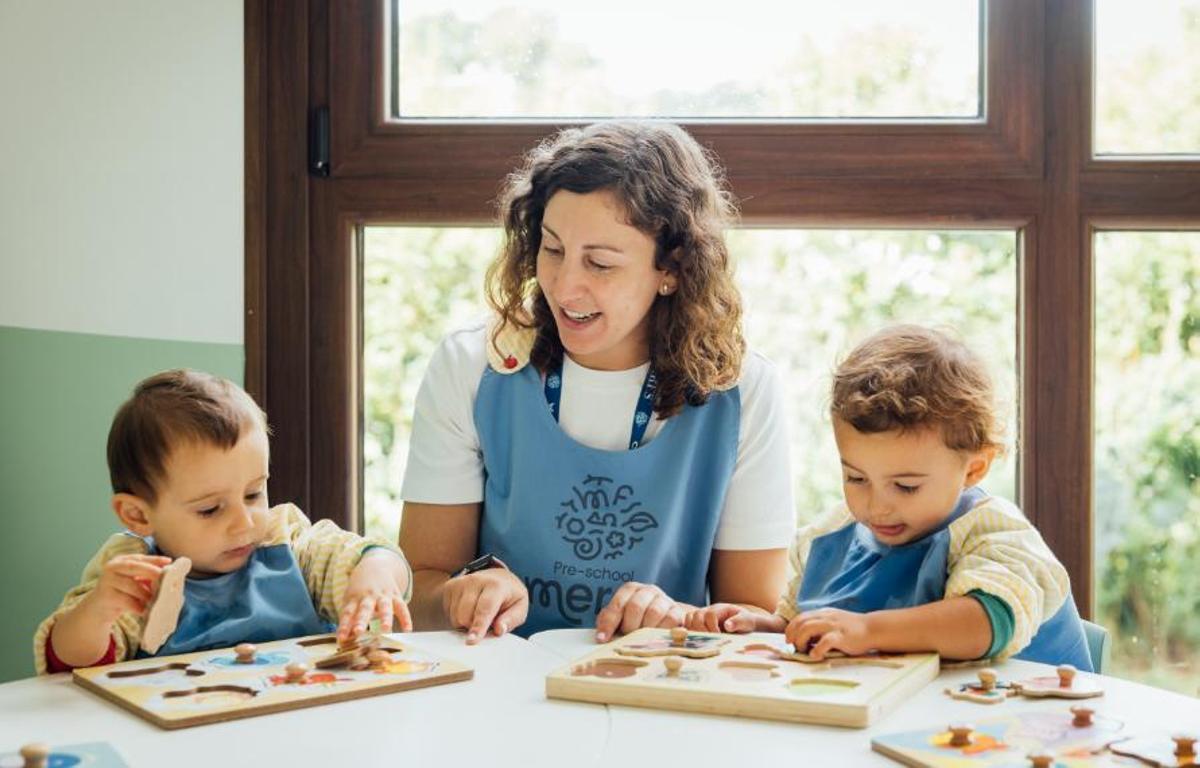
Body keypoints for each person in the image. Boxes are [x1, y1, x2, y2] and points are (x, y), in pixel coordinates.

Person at [399, 121, 794, 643]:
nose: (565, 286)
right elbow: (419, 590)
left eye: (600, 263)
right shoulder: (473, 365)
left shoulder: (743, 392)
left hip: (659, 689)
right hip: (498, 686)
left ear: (672, 269)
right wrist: (458, 595)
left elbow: (751, 618)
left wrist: (675, 618)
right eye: (553, 249)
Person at [686, 325, 1093, 669]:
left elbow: (986, 623)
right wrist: (762, 625)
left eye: (906, 486)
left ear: (973, 468)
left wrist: (866, 631)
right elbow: (806, 624)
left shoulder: (997, 535)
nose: (876, 505)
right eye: (856, 477)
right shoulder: (827, 538)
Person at [35, 369, 412, 673]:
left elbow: (365, 555)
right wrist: (98, 612)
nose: (243, 522)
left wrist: (377, 570)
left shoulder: (287, 545)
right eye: (210, 509)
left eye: (253, 494)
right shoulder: (139, 576)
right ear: (138, 514)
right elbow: (70, 661)